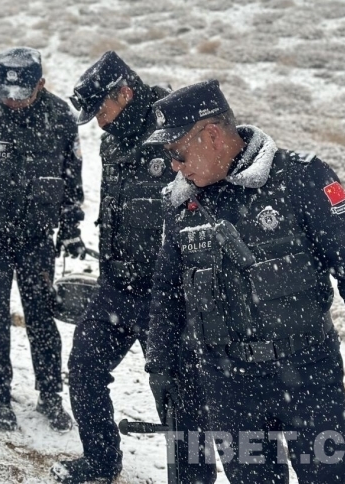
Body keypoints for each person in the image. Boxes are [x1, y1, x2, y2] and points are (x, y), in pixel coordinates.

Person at [144, 79, 345, 483]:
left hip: (309, 373)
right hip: (227, 382)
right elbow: (168, 291)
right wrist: (160, 364)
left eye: (178, 152)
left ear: (212, 135)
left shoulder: (300, 177)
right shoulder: (180, 201)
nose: (174, 166)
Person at [51, 52, 215, 484]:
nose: (99, 122)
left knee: (181, 400)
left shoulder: (174, 132)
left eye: (101, 111)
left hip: (170, 297)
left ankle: (193, 480)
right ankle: (101, 461)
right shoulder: (112, 141)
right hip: (116, 287)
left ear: (124, 93)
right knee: (84, 369)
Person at [0, 47, 84, 431]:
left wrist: (71, 228)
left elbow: (72, 178)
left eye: (21, 94)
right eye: (6, 93)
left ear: (40, 83)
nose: (12, 101)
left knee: (41, 318)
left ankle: (51, 395)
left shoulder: (61, 118)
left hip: (36, 237)